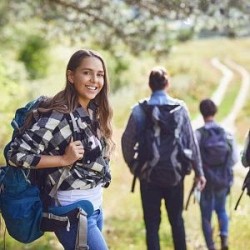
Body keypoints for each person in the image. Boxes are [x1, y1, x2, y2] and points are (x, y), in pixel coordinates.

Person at [7, 49, 114, 250]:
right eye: (87, 73)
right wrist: (63, 160)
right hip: (72, 212)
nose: (94, 80)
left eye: (100, 74)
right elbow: (16, 155)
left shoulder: (93, 111)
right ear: (71, 76)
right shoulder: (59, 114)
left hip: (95, 207)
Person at [121, 66, 206, 250]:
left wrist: (134, 166)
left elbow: (126, 142)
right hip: (175, 174)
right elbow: (191, 142)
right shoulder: (180, 108)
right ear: (167, 84)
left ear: (149, 85)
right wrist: (199, 172)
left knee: (152, 225)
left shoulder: (139, 110)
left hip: (147, 175)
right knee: (177, 221)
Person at [195, 99, 238, 250]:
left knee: (206, 216)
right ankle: (224, 238)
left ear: (202, 113)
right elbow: (234, 160)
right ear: (215, 111)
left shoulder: (198, 134)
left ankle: (210, 246)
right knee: (221, 210)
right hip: (222, 180)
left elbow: (195, 159)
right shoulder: (226, 133)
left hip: (205, 181)